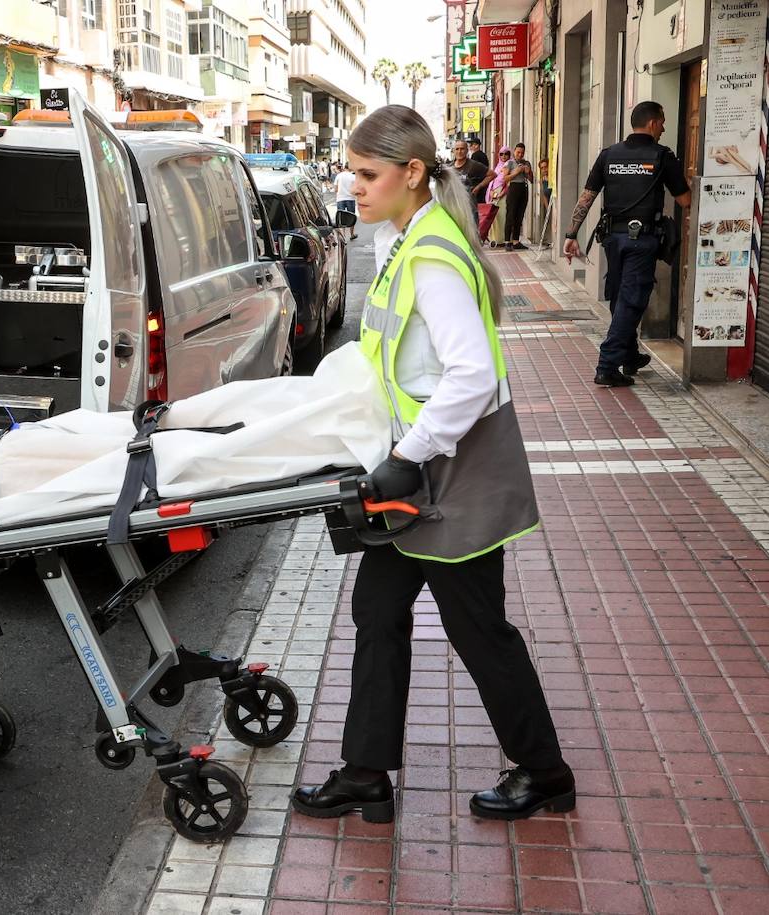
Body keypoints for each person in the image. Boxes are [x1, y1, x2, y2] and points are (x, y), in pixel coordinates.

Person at [291, 105, 571, 825]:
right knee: (377, 610)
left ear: (412, 173)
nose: (353, 185)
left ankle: (545, 771)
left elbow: (470, 375)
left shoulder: (432, 255)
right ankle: (366, 772)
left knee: (478, 626)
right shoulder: (402, 240)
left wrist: (406, 455)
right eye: (352, 172)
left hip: (452, 473)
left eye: (367, 173)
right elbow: (388, 358)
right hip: (416, 469)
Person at [565, 101, 691, 387]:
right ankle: (607, 365)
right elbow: (685, 200)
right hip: (642, 239)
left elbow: (587, 196)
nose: (664, 127)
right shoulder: (662, 156)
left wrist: (571, 235)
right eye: (662, 122)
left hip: (613, 239)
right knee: (632, 299)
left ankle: (630, 355)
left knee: (620, 295)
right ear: (652, 123)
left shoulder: (609, 155)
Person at [501, 142, 534, 250]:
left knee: (519, 216)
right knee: (511, 215)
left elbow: (532, 180)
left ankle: (516, 241)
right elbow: (505, 179)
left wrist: (528, 172)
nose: (520, 155)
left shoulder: (526, 163)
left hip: (523, 188)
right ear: (514, 152)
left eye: (522, 153)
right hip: (513, 188)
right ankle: (507, 241)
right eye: (518, 152)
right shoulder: (509, 163)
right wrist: (516, 172)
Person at [475, 147, 510, 241]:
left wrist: (502, 193)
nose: (504, 156)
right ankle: (495, 239)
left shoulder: (509, 165)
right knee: (495, 217)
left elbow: (508, 183)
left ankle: (502, 239)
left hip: (503, 194)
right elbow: (493, 180)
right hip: (494, 193)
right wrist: (491, 192)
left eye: (506, 154)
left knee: (503, 216)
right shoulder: (498, 166)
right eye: (501, 154)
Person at [334, 162, 358, 239]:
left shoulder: (339, 176)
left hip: (340, 198)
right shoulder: (353, 177)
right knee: (351, 217)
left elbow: (335, 189)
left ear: (344, 167)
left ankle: (343, 236)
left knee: (341, 218)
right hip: (350, 198)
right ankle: (352, 234)